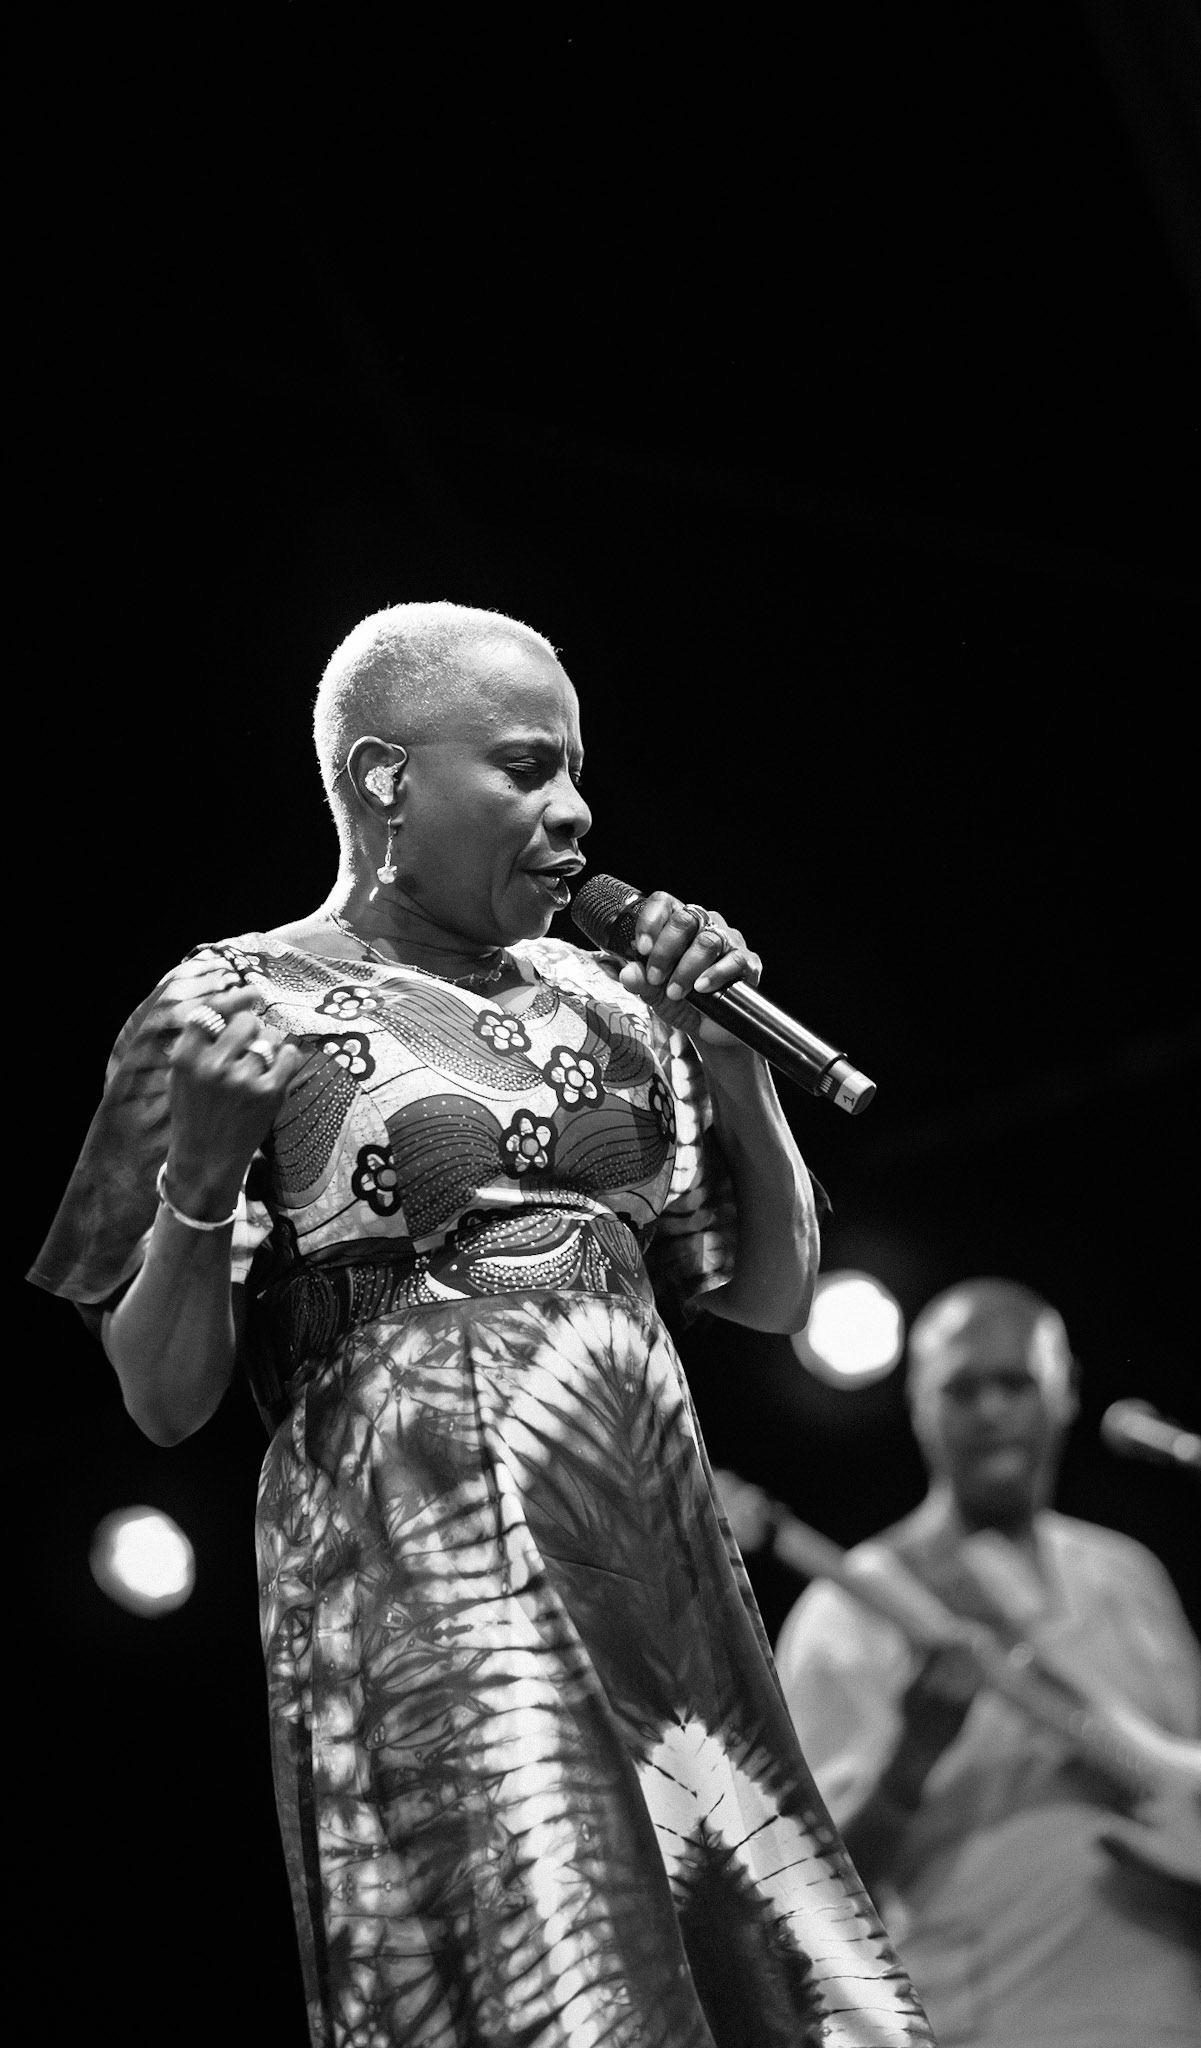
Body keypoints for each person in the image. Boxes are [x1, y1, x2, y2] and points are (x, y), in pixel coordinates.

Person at [30, 602, 934, 2048]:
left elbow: (768, 1294)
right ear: (386, 778)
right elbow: (161, 1397)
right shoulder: (233, 1000)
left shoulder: (608, 1000)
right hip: (427, 1575)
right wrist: (200, 1182)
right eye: (523, 769)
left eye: (575, 769)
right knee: (554, 1967)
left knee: (753, 1973)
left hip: (652, 1560)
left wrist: (730, 1068)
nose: (572, 809)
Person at [774, 1276, 1201, 2048]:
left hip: (1189, 2019)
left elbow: (1190, 1804)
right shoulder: (851, 1610)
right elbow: (802, 1908)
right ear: (916, 1404)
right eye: (959, 1390)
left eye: (1013, 1383)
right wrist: (909, 1759)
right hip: (1001, 2024)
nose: (988, 1412)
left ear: (1065, 1389)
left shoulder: (1127, 1575)